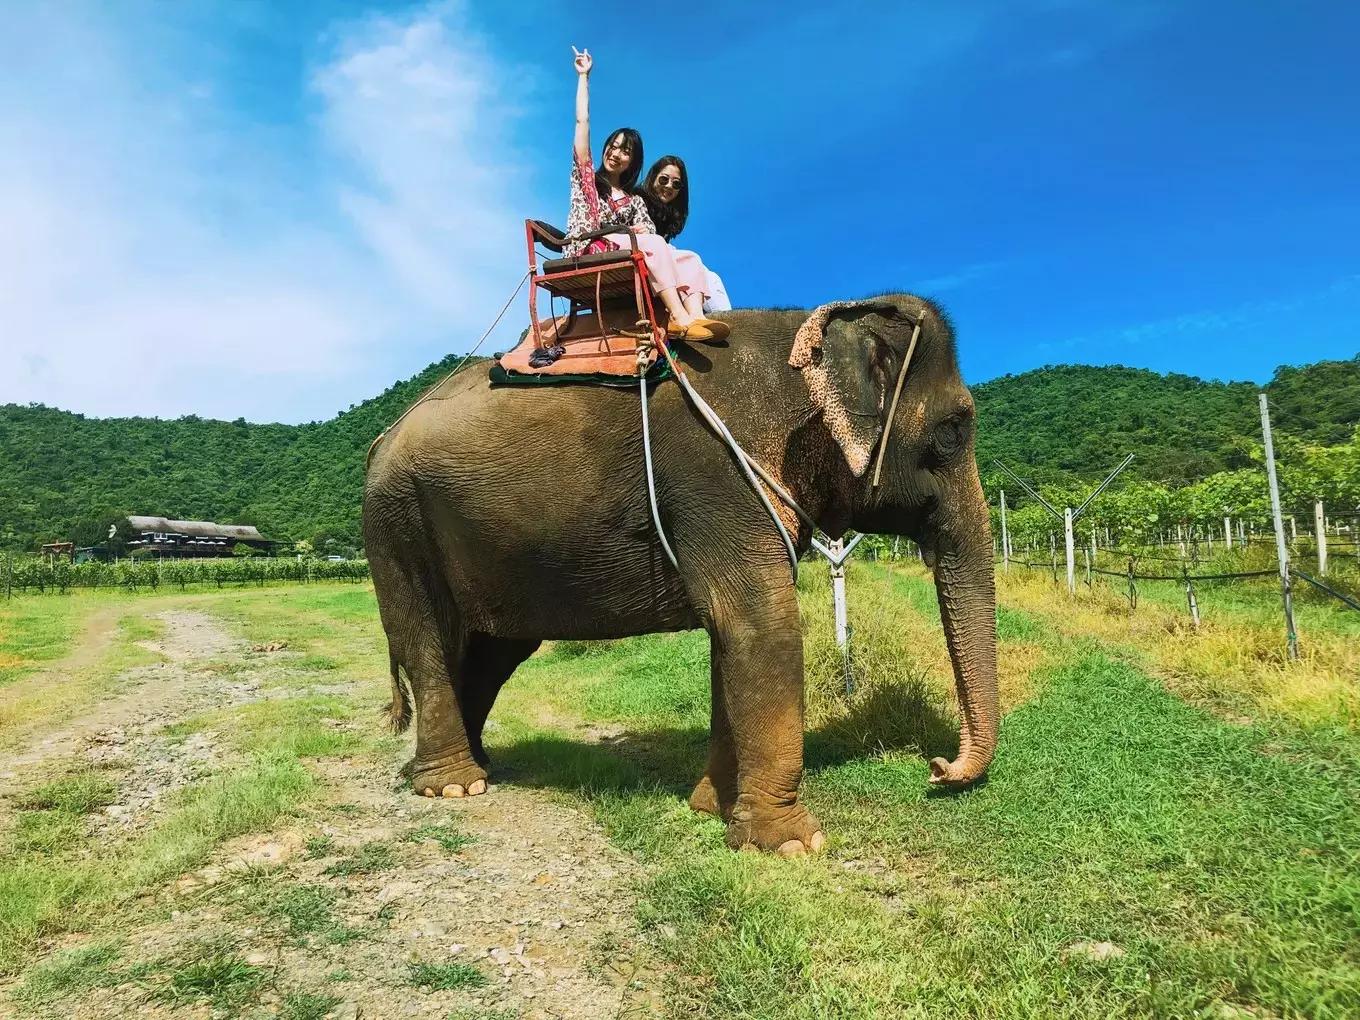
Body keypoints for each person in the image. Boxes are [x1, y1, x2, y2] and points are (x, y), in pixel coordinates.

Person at [566, 48, 726, 341]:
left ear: (633, 160)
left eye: (625, 151)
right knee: (652, 243)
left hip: (623, 250)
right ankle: (678, 317)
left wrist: (639, 231)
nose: (615, 153)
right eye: (613, 146)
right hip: (588, 246)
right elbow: (582, 123)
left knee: (690, 258)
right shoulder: (587, 179)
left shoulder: (635, 200)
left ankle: (696, 318)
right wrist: (583, 77)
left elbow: (652, 236)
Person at [640, 155, 732, 313]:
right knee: (693, 263)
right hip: (645, 253)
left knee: (712, 278)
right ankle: (721, 320)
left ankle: (723, 320)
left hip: (659, 257)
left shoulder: (666, 215)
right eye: (664, 179)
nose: (669, 186)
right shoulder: (637, 200)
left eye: (676, 184)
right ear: (653, 177)